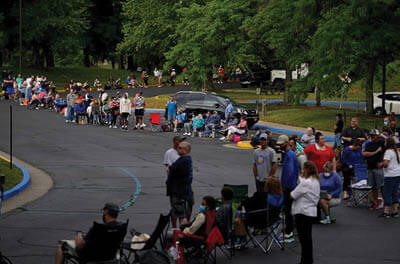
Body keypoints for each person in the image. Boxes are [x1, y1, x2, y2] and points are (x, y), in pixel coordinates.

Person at [55, 203, 123, 264]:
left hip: (90, 258)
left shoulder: (98, 228)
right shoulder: (121, 227)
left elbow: (79, 245)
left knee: (61, 245)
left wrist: (78, 237)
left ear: (106, 212)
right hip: (110, 257)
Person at [291, 161, 320, 264]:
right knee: (308, 238)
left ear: (307, 170)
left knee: (303, 239)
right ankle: (308, 260)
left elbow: (293, 195)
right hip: (311, 211)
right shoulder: (315, 181)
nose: (302, 171)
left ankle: (305, 261)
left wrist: (299, 178)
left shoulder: (305, 183)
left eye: (304, 169)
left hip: (302, 212)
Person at [167, 141, 194, 228]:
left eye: (179, 148)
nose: (177, 149)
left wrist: (170, 169)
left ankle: (182, 234)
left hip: (180, 192)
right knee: (177, 212)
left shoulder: (184, 161)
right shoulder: (183, 160)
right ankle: (177, 231)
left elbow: (173, 169)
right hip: (180, 191)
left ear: (185, 150)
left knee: (182, 214)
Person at [280, 138, 299, 243]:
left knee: (288, 210)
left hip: (289, 186)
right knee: (289, 209)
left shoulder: (289, 155)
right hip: (290, 185)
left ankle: (289, 231)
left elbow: (290, 171)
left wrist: (284, 185)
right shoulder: (290, 154)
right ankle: (289, 229)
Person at [362, 129, 385, 210]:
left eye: (374, 135)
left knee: (382, 186)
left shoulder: (381, 143)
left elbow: (391, 141)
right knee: (373, 186)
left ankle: (386, 202)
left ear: (377, 136)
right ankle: (375, 202)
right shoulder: (369, 144)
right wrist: (376, 152)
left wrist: (382, 135)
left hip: (378, 167)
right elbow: (364, 153)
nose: (372, 137)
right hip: (370, 167)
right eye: (371, 135)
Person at [381, 138, 400, 218]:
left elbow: (386, 164)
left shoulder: (388, 152)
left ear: (387, 143)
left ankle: (386, 211)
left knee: (387, 193)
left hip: (390, 175)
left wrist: (380, 164)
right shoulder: (397, 152)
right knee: (395, 192)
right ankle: (395, 211)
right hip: (397, 174)